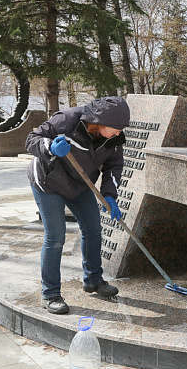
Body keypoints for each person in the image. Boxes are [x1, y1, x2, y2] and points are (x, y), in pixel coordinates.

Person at [25, 96, 129, 314]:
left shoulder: (113, 138)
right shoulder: (68, 120)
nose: (120, 132)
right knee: (56, 237)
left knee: (93, 229)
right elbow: (32, 139)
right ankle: (50, 293)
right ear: (100, 121)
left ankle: (93, 280)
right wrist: (50, 147)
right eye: (116, 128)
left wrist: (110, 195)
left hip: (80, 185)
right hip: (49, 182)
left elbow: (114, 166)